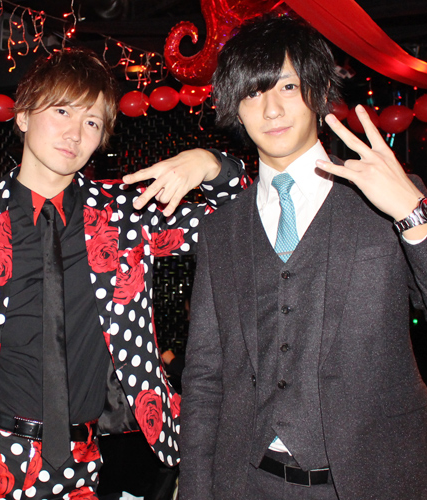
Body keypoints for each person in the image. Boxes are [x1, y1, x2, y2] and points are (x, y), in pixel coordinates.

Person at [0, 47, 247, 500]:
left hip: (81, 466)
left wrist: (211, 164)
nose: (74, 133)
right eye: (62, 110)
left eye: (92, 122)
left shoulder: (126, 217)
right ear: (23, 115)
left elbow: (243, 220)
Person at [180, 15, 427, 500]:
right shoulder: (221, 230)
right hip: (247, 483)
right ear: (235, 109)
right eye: (253, 93)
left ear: (318, 91)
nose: (271, 109)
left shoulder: (391, 201)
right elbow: (205, 378)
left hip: (373, 481)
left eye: (288, 87)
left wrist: (412, 215)